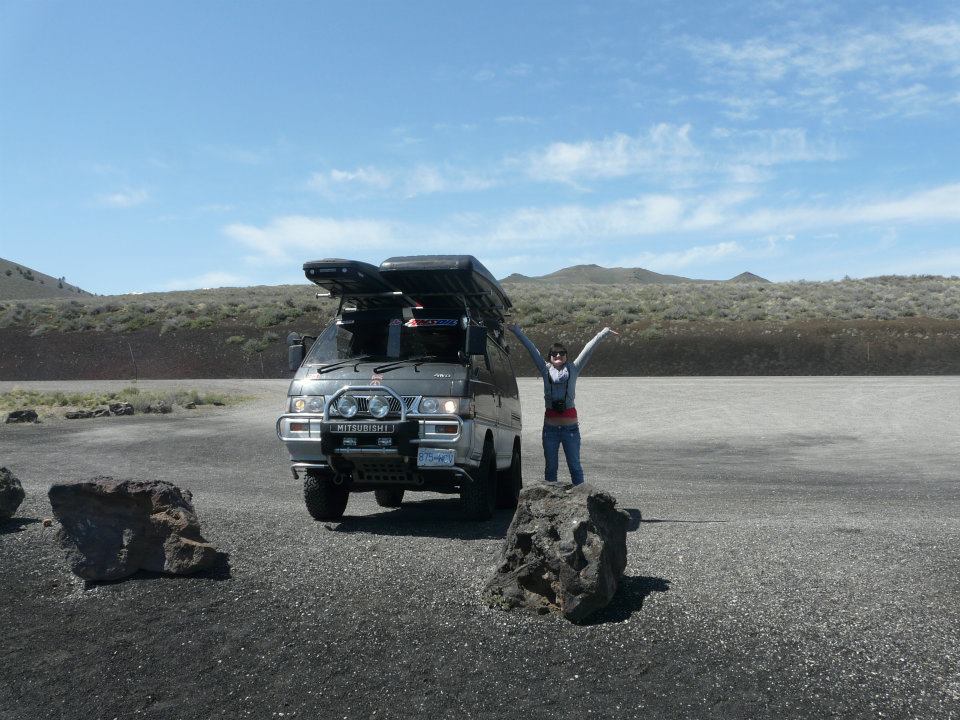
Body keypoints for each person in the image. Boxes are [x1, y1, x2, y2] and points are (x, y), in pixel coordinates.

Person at [507, 323, 619, 486]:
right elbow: (532, 349)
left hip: (571, 431)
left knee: (575, 468)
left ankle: (582, 498)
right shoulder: (545, 370)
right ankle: (550, 500)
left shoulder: (574, 369)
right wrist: (516, 331)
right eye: (554, 353)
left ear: (566, 356)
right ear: (550, 357)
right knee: (550, 470)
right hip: (550, 431)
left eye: (562, 353)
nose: (558, 355)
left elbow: (588, 349)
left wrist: (604, 333)